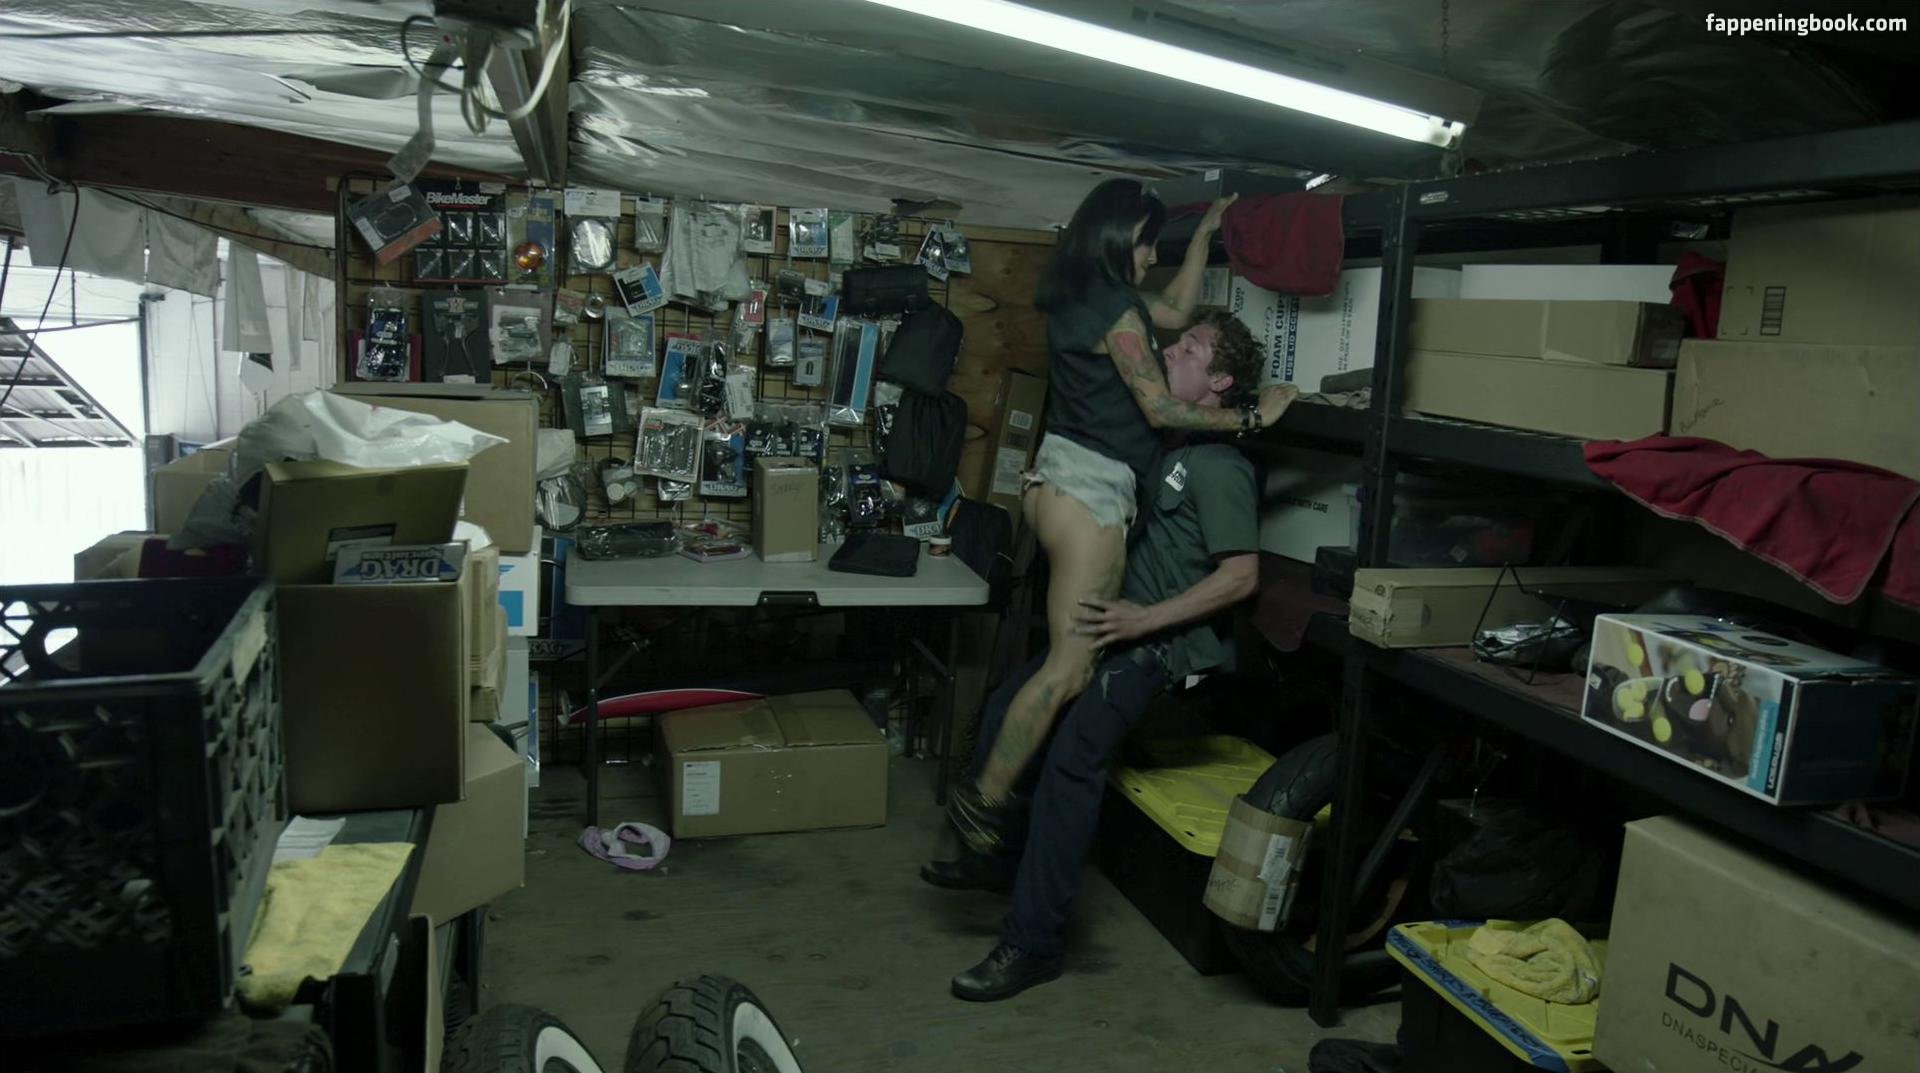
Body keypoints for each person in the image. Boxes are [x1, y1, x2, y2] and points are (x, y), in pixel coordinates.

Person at [929, 309, 1267, 1001]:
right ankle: (999, 860)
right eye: (1177, 340)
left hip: (1153, 645)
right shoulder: (1161, 443)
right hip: (1105, 624)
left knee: (1070, 762)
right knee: (1006, 708)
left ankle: (1033, 943)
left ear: (1221, 382)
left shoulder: (1223, 467)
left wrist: (1145, 617)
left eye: (1190, 349)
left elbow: (1241, 577)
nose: (1171, 351)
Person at [948, 179, 1297, 850]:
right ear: (1119, 239)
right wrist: (1254, 417)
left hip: (1054, 483)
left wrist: (1204, 237)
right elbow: (1160, 408)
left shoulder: (1083, 294)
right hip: (1093, 496)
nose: (1151, 258)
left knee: (1061, 663)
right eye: (1146, 245)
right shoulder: (1119, 313)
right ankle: (984, 801)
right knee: (1069, 670)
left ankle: (988, 798)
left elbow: (1176, 306)